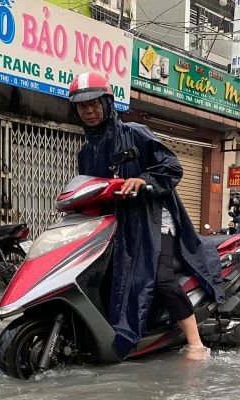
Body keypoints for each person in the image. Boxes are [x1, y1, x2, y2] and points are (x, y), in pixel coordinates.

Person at [70, 72, 224, 360]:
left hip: (154, 219)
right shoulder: (86, 151)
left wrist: (144, 180)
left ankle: (195, 342)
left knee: (160, 277)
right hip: (115, 225)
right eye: (81, 106)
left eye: (93, 104)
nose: (88, 111)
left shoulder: (135, 132)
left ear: (107, 102)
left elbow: (172, 166)